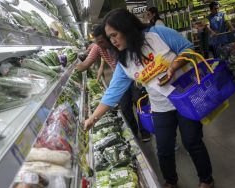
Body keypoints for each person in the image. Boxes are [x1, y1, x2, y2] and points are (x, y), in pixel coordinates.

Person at [83, 9, 214, 188]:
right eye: (109, 37)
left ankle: (206, 179)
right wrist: (93, 118)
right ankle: (170, 181)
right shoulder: (124, 61)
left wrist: (174, 66)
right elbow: (112, 93)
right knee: (164, 147)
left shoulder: (158, 34)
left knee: (192, 141)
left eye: (114, 35)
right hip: (160, 106)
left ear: (127, 29)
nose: (112, 41)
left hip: (186, 97)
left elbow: (188, 49)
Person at [76, 25, 151, 141]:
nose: (99, 45)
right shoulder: (98, 47)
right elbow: (86, 64)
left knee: (140, 103)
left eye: (101, 41)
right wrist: (69, 70)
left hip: (136, 77)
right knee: (125, 107)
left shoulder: (121, 45)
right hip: (120, 79)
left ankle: (145, 132)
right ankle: (133, 133)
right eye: (97, 43)